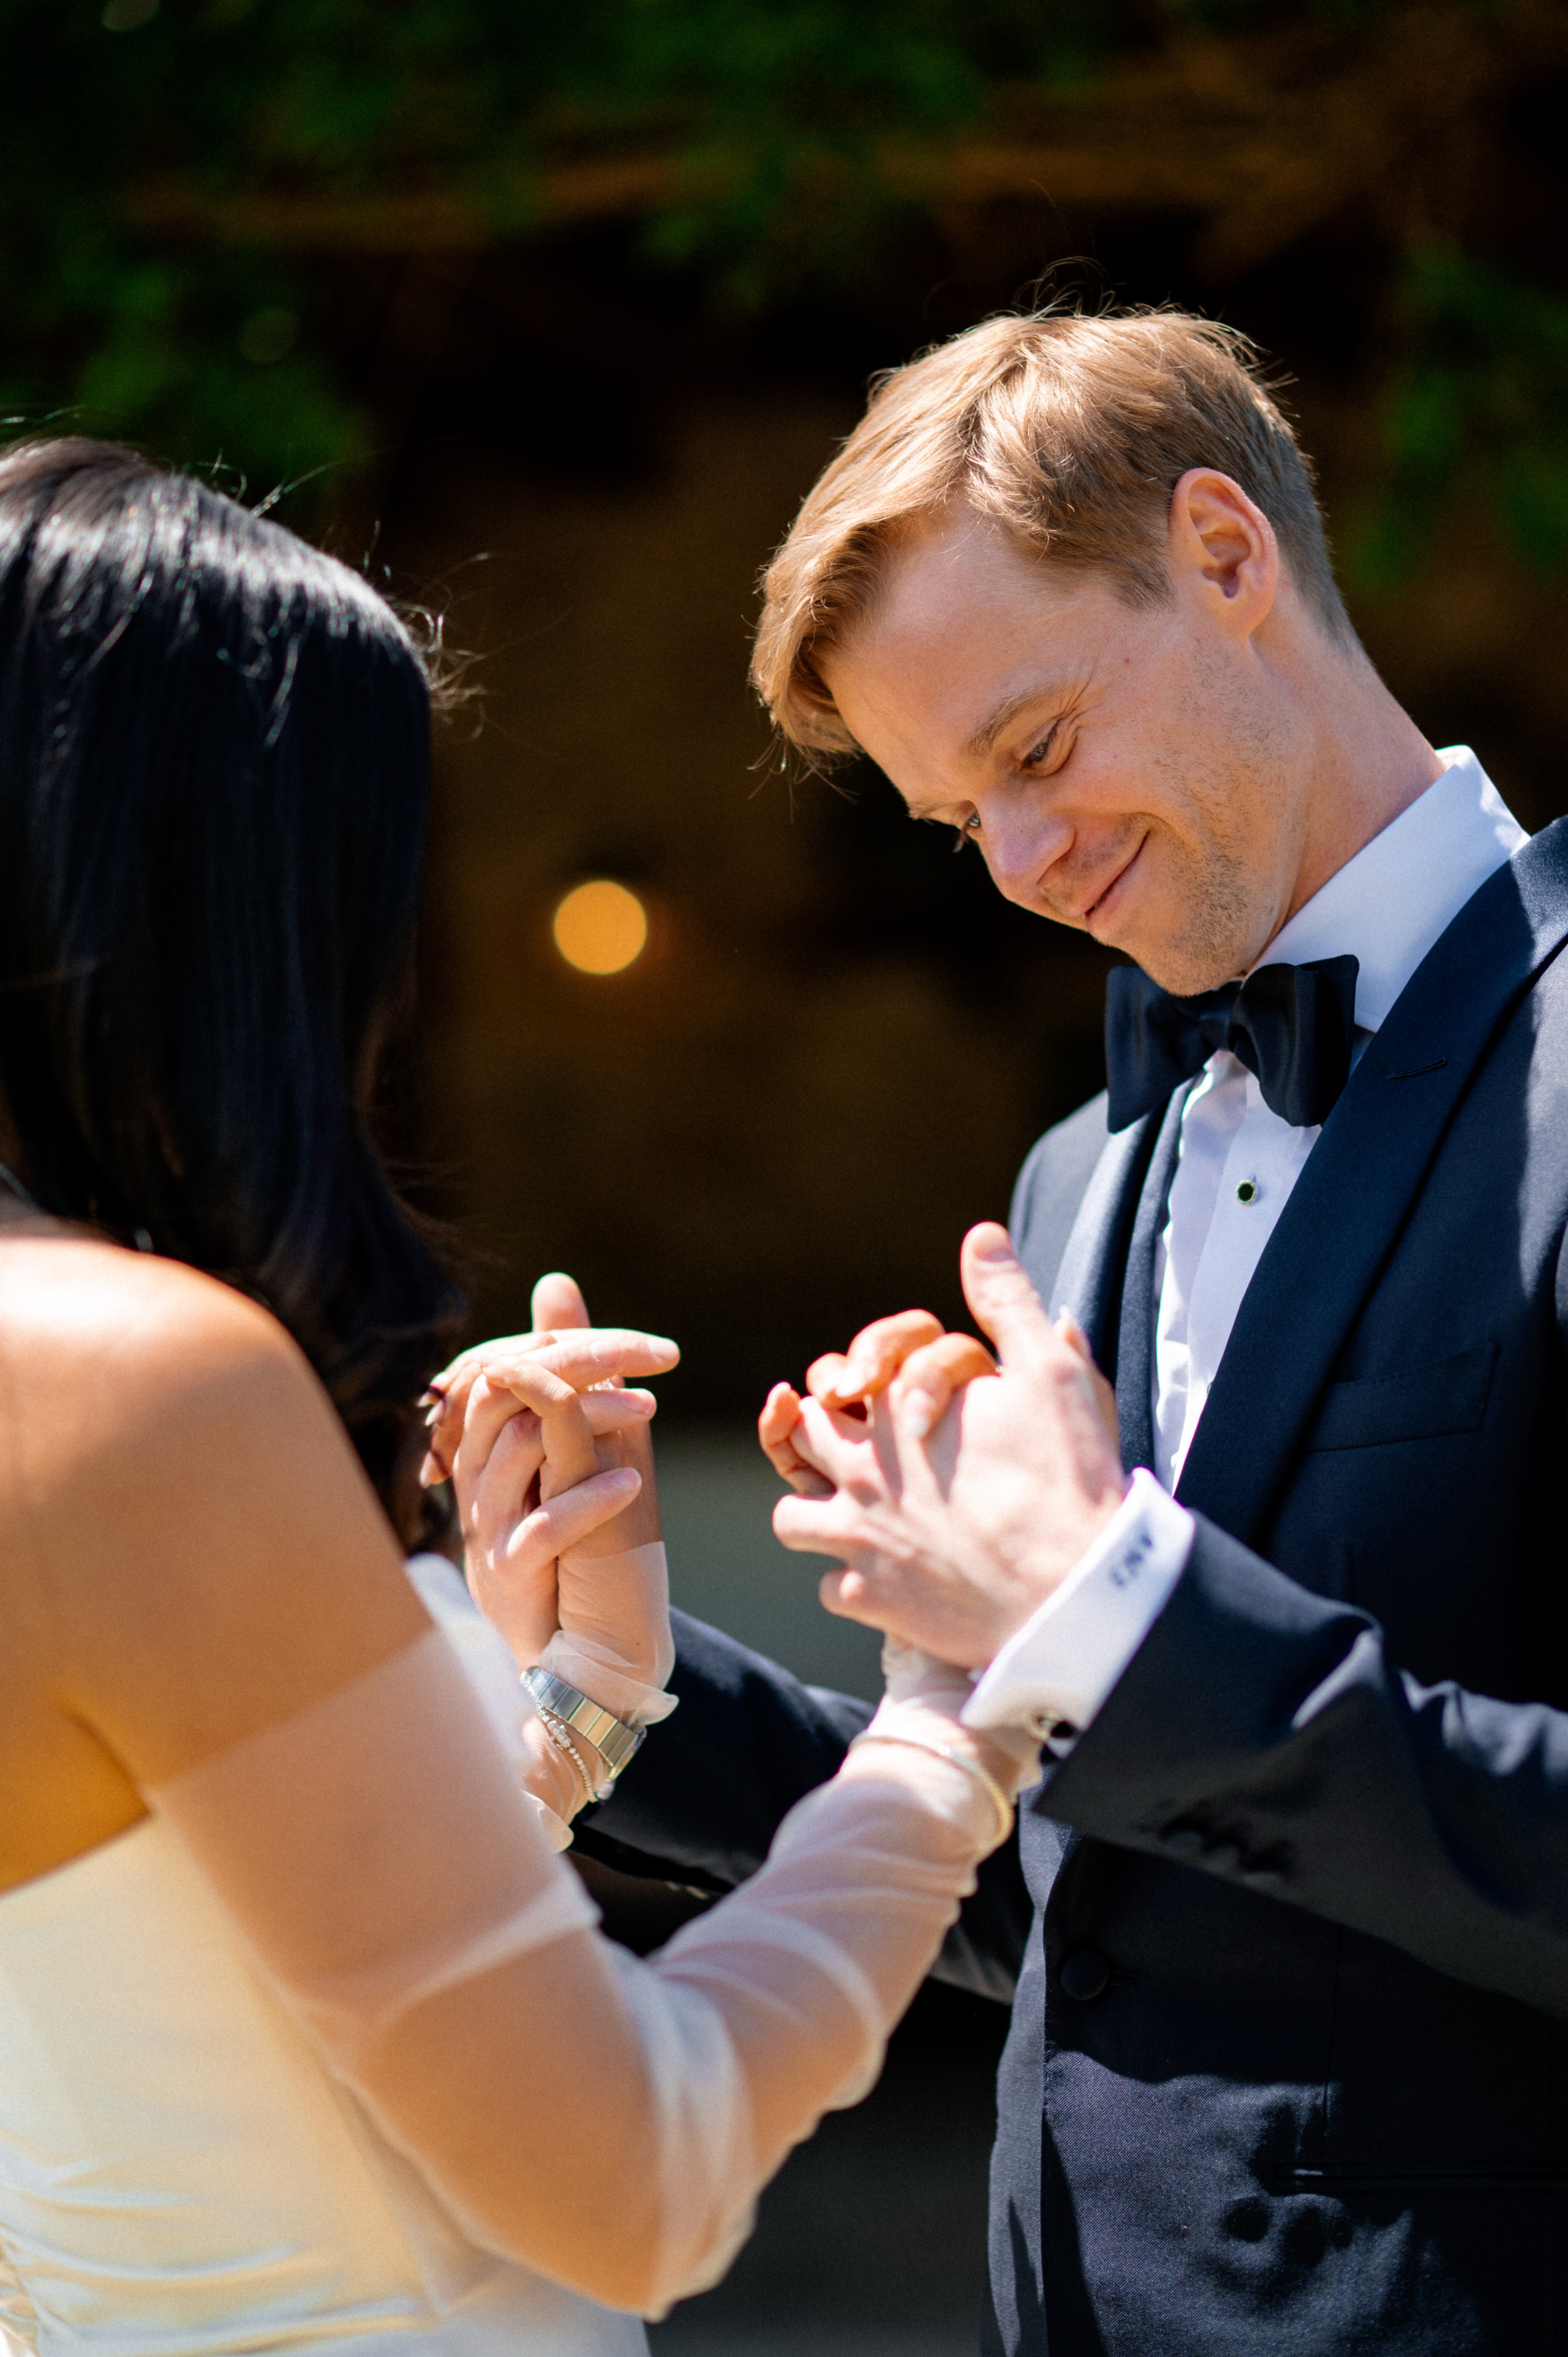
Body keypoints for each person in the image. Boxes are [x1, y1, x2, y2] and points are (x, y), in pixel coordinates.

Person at [441, 307, 1568, 2356]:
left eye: (1034, 749)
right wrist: (620, 1675)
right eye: (962, 824)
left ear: (1224, 553)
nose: (1027, 871)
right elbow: (1101, 1894)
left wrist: (1114, 1611)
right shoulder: (1076, 1174)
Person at [0, 436, 1047, 2356]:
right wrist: (953, 1721)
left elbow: (168, 2000)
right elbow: (633, 2173)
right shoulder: (138, 1390)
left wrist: (568, 1704)